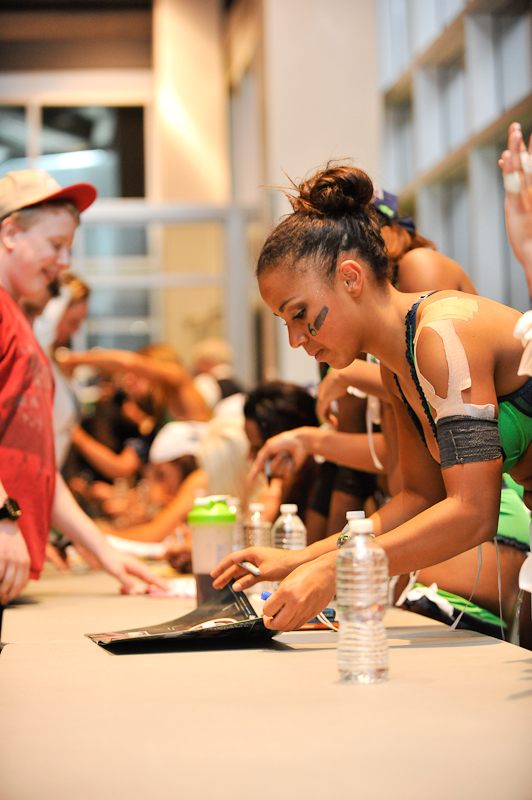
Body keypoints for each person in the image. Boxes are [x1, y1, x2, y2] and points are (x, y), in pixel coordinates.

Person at [211, 162, 532, 631]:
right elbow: (419, 498)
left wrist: (336, 569)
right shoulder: (398, 365)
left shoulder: (441, 335)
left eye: (299, 314)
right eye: (285, 323)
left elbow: (474, 512)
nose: (295, 339)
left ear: (350, 278)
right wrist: (301, 558)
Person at [0, 169, 166, 609]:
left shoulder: (17, 321)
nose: (63, 262)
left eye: (68, 248)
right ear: (10, 234)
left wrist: (105, 552)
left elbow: (38, 466)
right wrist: (3, 516)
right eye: (55, 245)